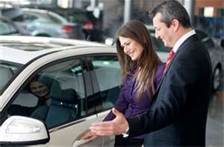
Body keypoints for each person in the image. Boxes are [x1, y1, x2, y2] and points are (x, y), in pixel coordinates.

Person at [89, 0, 213, 146]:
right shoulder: (189, 50)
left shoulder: (189, 55)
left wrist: (128, 125)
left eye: (158, 29)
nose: (157, 35)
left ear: (174, 24)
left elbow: (167, 108)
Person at [79, 20, 164, 147]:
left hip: (143, 140)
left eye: (128, 44)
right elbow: (121, 105)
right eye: (123, 46)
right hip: (123, 137)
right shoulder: (132, 71)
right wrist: (99, 129)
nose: (125, 50)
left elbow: (161, 113)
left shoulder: (161, 72)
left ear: (143, 39)